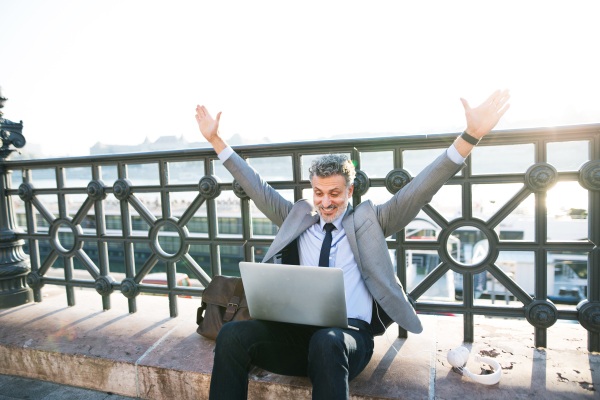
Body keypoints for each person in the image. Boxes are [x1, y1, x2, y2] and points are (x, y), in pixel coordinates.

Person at [195, 89, 510, 400]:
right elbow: (255, 186)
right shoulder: (297, 217)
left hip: (347, 341)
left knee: (326, 341)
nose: (326, 202)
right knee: (233, 335)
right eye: (319, 193)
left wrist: (469, 136)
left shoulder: (369, 221)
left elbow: (418, 191)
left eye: (334, 193)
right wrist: (216, 141)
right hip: (293, 339)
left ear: (350, 190)